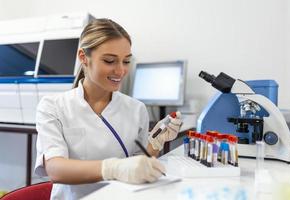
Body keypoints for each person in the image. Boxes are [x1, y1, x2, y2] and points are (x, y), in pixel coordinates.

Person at [34, 18, 182, 200]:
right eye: (110, 61)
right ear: (83, 58)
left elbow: (139, 161)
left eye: (126, 61)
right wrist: (113, 168)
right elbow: (56, 169)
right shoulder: (53, 106)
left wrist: (156, 143)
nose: (120, 71)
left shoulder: (136, 109)